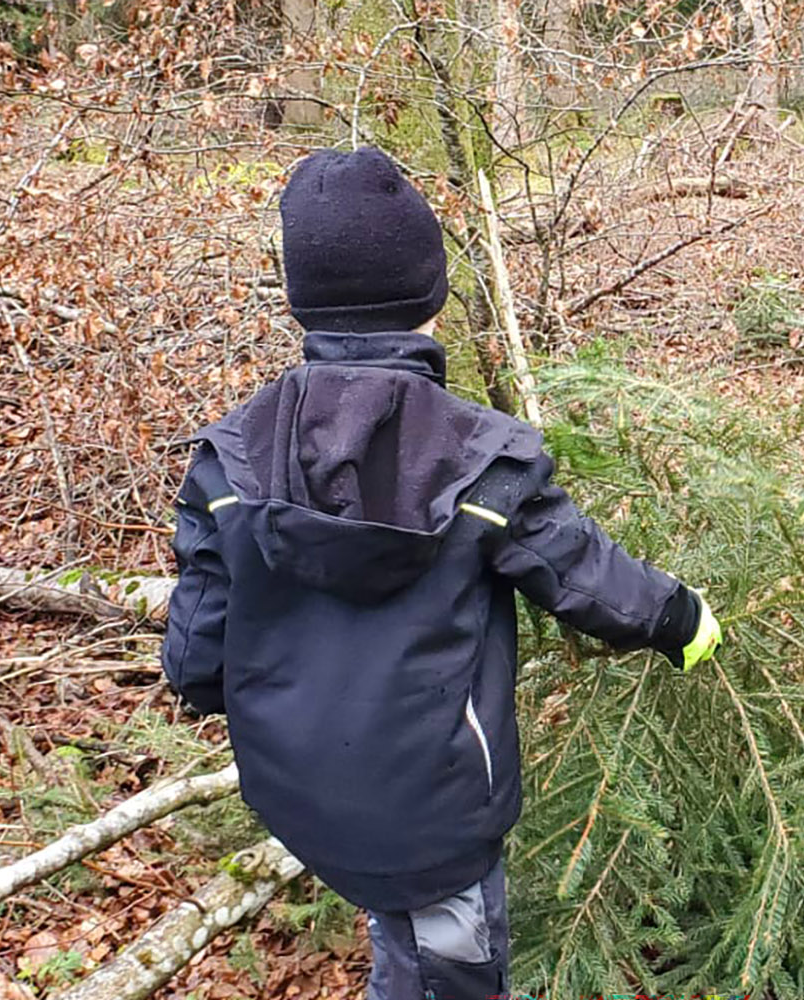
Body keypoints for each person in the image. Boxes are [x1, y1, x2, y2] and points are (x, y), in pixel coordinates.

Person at [161, 146, 722, 1000]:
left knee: (402, 935)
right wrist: (684, 620)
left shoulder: (226, 457)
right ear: (431, 297)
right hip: (436, 813)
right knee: (447, 973)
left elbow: (196, 663)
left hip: (299, 789)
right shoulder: (483, 458)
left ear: (300, 298)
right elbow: (585, 577)